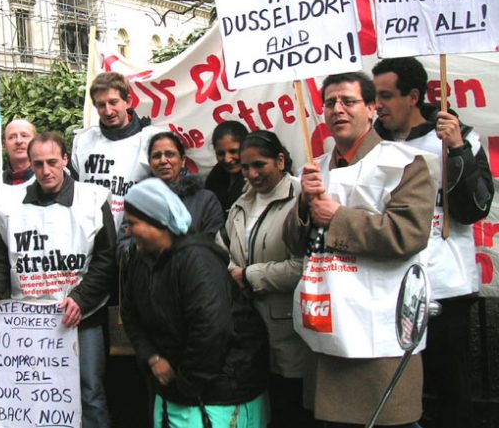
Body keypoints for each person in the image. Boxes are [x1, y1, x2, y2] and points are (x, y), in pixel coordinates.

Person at [283, 72, 437, 427]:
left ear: (371, 108)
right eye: (330, 102)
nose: (338, 109)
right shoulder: (314, 167)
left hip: (378, 331)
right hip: (327, 325)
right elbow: (292, 242)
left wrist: (337, 218)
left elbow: (408, 234)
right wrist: (305, 205)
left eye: (349, 101)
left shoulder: (404, 163)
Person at [372, 57, 494, 428]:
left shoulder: (459, 136)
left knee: (450, 387)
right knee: (396, 387)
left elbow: (475, 208)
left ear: (413, 96)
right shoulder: (372, 141)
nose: (377, 104)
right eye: (373, 95)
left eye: (386, 95)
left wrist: (456, 150)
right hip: (388, 282)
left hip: (445, 285)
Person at [0, 132, 117, 428]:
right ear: (29, 163)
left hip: (82, 318)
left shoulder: (92, 199)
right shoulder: (10, 203)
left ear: (65, 160)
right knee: (34, 396)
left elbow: (107, 259)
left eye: (52, 162)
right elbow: (2, 258)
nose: (46, 170)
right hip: (30, 323)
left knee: (90, 392)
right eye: (38, 163)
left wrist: (81, 298)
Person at [121, 178, 270, 428]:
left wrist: (185, 384)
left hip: (220, 390)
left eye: (133, 223)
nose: (127, 231)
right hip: (177, 388)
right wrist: (153, 357)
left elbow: (212, 330)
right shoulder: (141, 260)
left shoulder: (197, 261)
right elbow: (131, 313)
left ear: (158, 223)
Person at [216, 130, 314, 428]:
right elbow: (226, 250)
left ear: (280, 160)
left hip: (290, 332)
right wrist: (230, 269)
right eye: (246, 167)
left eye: (259, 164)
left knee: (291, 412)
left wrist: (249, 275)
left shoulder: (302, 198)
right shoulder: (240, 204)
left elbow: (308, 266)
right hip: (248, 334)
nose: (252, 173)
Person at [71, 72, 161, 229]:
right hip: (91, 235)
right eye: (101, 105)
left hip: (137, 237)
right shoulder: (83, 141)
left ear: (127, 101)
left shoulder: (151, 139)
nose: (108, 111)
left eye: (113, 102)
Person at [147, 132, 224, 236]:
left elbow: (213, 245)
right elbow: (123, 245)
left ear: (182, 161)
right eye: (156, 156)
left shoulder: (206, 201)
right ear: (150, 163)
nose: (163, 161)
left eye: (170, 154)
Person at [205, 121, 248, 217]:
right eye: (221, 154)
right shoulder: (214, 178)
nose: (227, 159)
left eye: (233, 151)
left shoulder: (260, 178)